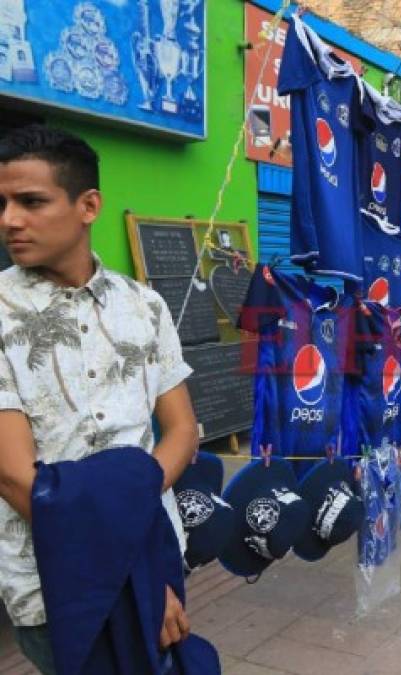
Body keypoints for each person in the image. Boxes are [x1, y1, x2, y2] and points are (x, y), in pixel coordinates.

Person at [0, 126, 198, 673]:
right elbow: (16, 477)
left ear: (88, 206)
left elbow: (182, 430)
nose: (9, 220)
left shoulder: (145, 306)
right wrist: (137, 578)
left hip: (157, 556)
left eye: (31, 202)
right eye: (3, 203)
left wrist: (145, 559)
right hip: (53, 583)